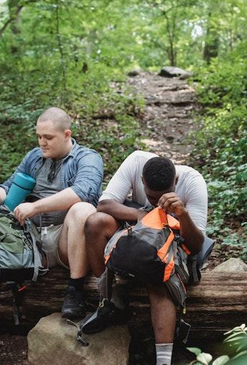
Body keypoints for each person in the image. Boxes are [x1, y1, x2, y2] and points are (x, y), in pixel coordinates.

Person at [0, 107, 103, 365]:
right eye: (39, 136)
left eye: (48, 137)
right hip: (32, 238)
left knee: (83, 210)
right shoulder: (34, 157)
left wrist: (36, 206)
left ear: (67, 134)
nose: (42, 142)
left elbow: (83, 192)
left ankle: (75, 290)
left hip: (66, 240)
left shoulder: (88, 158)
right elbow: (10, 186)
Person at [85, 150, 209, 365]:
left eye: (162, 196)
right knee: (95, 223)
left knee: (156, 277)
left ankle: (163, 359)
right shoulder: (135, 162)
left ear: (176, 181)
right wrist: (141, 215)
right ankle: (110, 301)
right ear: (142, 180)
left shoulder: (193, 182)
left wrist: (182, 214)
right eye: (151, 197)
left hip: (172, 245)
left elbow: (197, 245)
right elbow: (104, 204)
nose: (157, 203)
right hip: (135, 232)